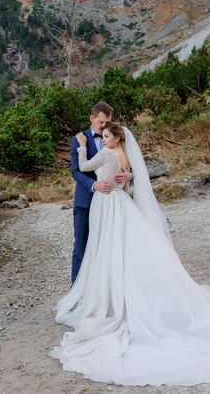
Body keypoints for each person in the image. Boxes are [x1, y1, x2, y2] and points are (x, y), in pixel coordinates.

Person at [51, 123, 210, 387]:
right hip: (121, 203)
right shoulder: (125, 157)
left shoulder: (106, 154)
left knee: (109, 249)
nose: (102, 139)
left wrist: (81, 146)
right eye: (101, 135)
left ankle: (111, 297)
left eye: (106, 136)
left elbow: (82, 168)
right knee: (122, 249)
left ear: (116, 138)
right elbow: (125, 186)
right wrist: (124, 179)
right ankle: (118, 291)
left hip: (108, 205)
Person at [69, 102, 131, 284]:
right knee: (81, 246)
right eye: (101, 122)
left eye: (108, 122)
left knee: (107, 246)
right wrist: (94, 184)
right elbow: (76, 171)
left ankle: (103, 288)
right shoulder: (79, 139)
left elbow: (127, 163)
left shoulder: (114, 137)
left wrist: (129, 174)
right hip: (85, 202)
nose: (105, 126)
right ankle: (77, 288)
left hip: (111, 204)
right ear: (92, 118)